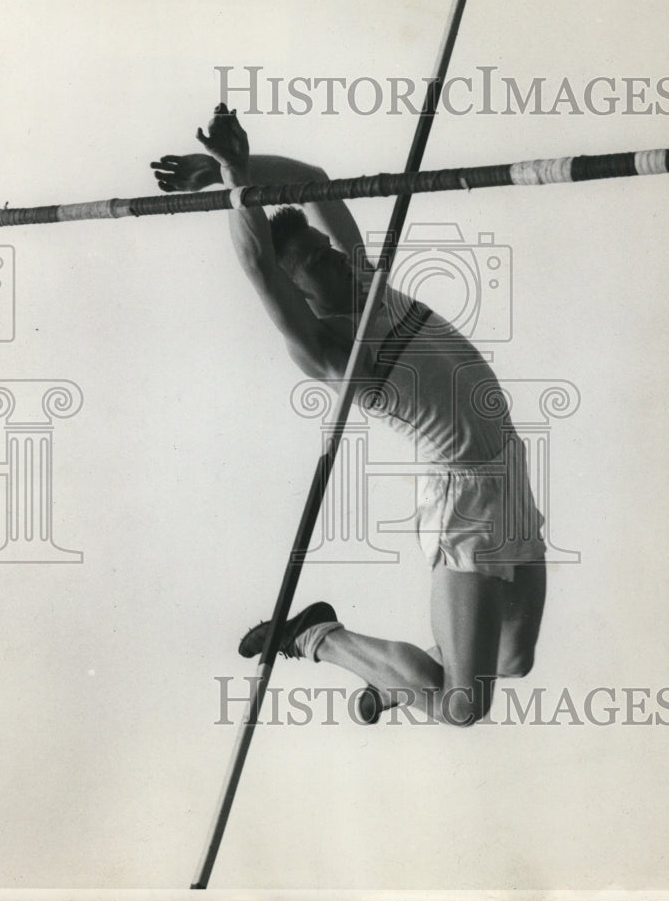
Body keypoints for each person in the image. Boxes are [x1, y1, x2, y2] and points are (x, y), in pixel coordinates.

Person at [152, 103, 547, 727]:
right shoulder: (329, 350)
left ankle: (388, 681)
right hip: (465, 499)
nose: (334, 255)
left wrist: (239, 166)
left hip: (510, 471)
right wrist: (234, 181)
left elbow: (314, 176)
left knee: (514, 658)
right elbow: (258, 265)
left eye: (323, 248)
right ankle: (317, 635)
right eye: (314, 259)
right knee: (461, 705)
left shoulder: (368, 283)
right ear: (297, 293)